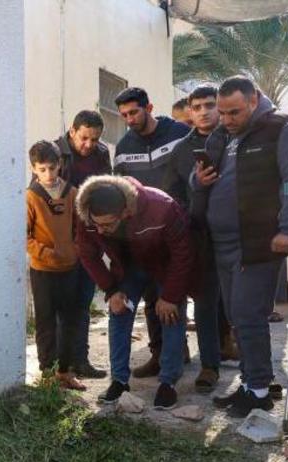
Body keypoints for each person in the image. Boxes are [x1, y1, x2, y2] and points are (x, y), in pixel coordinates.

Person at [191, 76, 288, 418]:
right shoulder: (221, 135)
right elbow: (200, 178)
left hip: (257, 242)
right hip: (221, 244)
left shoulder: (280, 129)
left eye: (235, 112)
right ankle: (251, 383)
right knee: (235, 316)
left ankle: (258, 391)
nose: (226, 119)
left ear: (254, 100)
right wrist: (197, 180)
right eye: (223, 112)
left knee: (247, 314)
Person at [76, 175, 196, 410]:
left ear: (125, 212)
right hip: (127, 269)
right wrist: (111, 290)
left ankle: (168, 382)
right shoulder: (86, 215)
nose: (100, 229)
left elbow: (183, 252)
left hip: (165, 266)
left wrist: (170, 296)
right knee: (118, 312)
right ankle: (119, 380)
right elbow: (87, 253)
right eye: (96, 224)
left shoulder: (162, 207)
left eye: (107, 225)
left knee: (171, 315)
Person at [112, 87, 192, 379]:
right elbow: (119, 192)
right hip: (143, 237)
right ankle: (159, 354)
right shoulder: (123, 147)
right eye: (124, 115)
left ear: (149, 108)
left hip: (179, 228)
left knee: (177, 295)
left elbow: (194, 179)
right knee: (151, 298)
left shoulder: (180, 133)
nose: (129, 119)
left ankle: (199, 354)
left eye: (134, 112)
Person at [168, 84, 227, 393]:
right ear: (189, 112)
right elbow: (173, 195)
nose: (204, 112)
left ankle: (256, 374)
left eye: (209, 105)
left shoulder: (235, 140)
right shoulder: (180, 151)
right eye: (197, 107)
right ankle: (208, 366)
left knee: (242, 307)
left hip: (234, 235)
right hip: (198, 236)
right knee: (203, 302)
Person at [51, 110, 113, 379]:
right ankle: (59, 366)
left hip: (90, 237)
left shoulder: (101, 154)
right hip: (62, 239)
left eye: (95, 139)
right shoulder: (54, 152)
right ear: (72, 131)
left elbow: (107, 189)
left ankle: (81, 361)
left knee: (83, 303)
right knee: (62, 306)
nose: (89, 145)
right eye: (84, 138)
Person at [25, 140, 85, 391]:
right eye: (42, 169)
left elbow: (80, 228)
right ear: (34, 169)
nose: (48, 174)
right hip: (43, 270)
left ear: (59, 164)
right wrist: (46, 254)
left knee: (69, 321)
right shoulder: (30, 197)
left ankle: (65, 371)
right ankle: (47, 372)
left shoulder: (72, 193)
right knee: (45, 323)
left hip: (69, 268)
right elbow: (25, 236)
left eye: (52, 168)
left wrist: (74, 250)